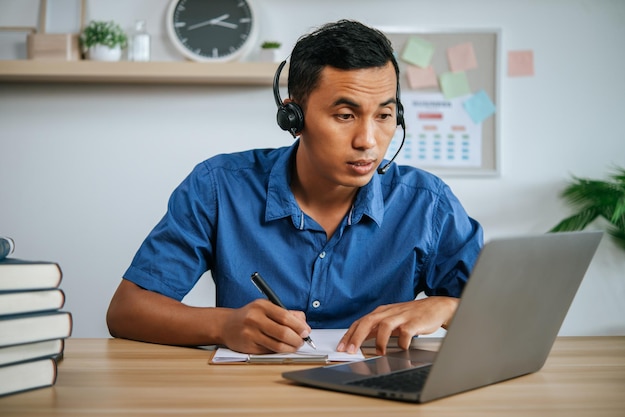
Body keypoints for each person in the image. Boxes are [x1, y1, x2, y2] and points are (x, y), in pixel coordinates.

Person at [106, 20, 483, 356]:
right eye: (345, 115)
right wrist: (223, 325)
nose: (368, 140)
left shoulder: (427, 203)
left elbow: (504, 309)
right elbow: (127, 311)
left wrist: (449, 307)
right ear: (293, 118)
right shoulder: (218, 186)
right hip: (252, 397)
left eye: (384, 115)